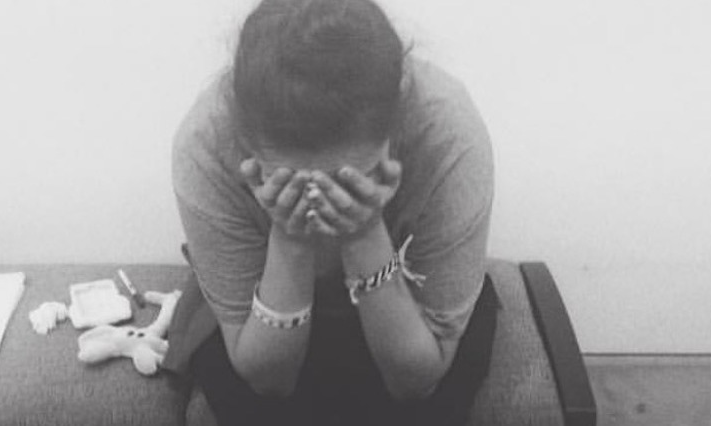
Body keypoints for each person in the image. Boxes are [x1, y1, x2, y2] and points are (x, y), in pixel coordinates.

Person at [170, 0, 495, 424]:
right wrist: (289, 240)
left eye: (346, 180)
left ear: (394, 127)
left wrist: (364, 233)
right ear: (247, 144)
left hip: (407, 305)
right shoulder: (206, 143)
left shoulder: (448, 133)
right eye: (293, 180)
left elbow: (416, 380)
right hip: (262, 307)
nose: (320, 203)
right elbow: (269, 383)